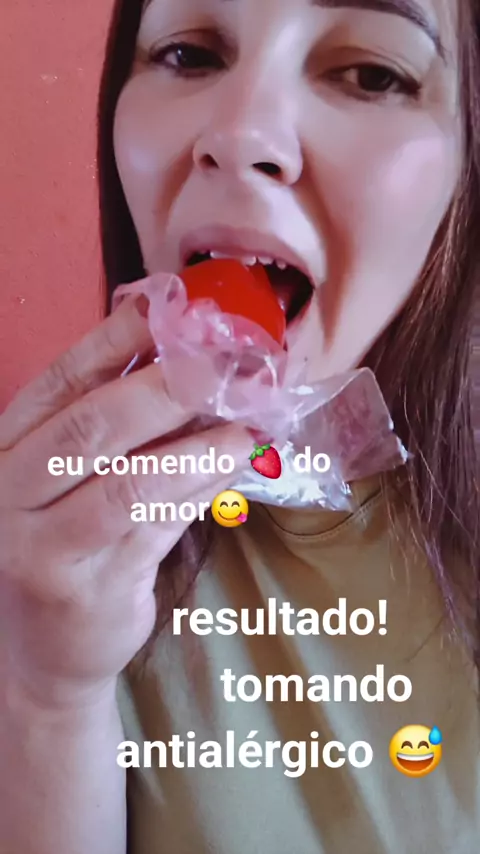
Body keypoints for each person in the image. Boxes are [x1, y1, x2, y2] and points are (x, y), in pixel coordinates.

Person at [1, 0, 479, 851]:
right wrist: (44, 694)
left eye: (372, 73)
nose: (239, 133)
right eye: (187, 54)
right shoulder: (46, 557)